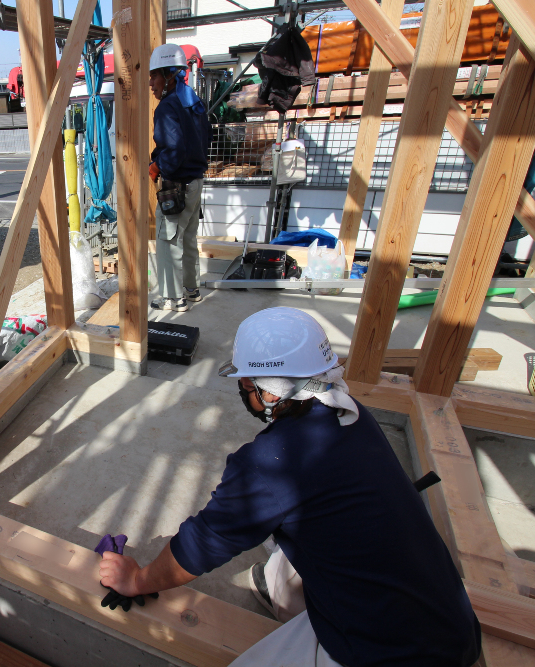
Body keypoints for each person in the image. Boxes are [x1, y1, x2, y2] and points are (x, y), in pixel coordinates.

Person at [98, 307, 482, 667]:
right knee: (294, 534)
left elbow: (201, 543)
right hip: (452, 625)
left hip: (391, 652)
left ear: (268, 390)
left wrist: (138, 579)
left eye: (246, 380)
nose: (242, 386)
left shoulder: (270, 464)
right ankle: (279, 588)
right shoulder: (350, 413)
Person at [148, 44, 211, 312]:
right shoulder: (191, 101)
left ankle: (173, 299)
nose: (151, 83)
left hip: (178, 185)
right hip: (195, 183)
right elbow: (204, 139)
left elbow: (173, 150)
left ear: (169, 75)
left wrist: (157, 165)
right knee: (187, 240)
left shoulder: (167, 107)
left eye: (154, 76)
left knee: (168, 241)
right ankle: (191, 290)